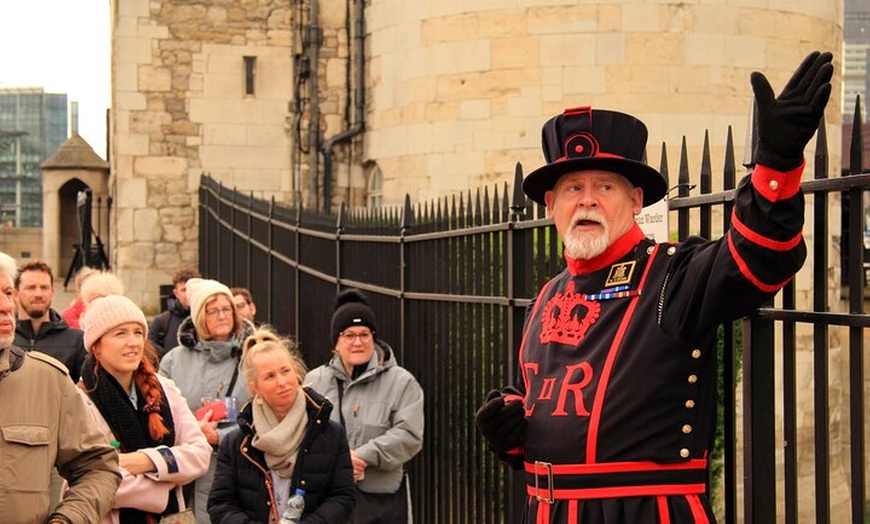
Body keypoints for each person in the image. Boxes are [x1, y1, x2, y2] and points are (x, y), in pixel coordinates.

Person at [473, 51, 833, 523]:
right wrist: (511, 428)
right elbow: (539, 402)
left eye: (605, 187)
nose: (587, 201)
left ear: (636, 199)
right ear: (550, 205)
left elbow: (758, 259)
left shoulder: (672, 276)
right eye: (572, 188)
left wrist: (775, 168)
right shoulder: (545, 297)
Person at [0, 251, 121, 524]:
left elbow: (99, 468)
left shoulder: (48, 380)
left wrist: (68, 519)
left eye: (8, 292)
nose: (6, 305)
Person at [78, 294, 212, 524]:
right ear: (97, 346)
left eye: (138, 332)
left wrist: (142, 461)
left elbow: (200, 454)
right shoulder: (80, 400)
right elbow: (92, 479)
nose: (133, 342)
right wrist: (167, 483)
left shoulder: (166, 390)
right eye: (120, 333)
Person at [208, 328, 355, 523]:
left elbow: (343, 497)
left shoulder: (330, 433)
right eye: (270, 376)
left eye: (285, 371)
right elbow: (220, 505)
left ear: (296, 372)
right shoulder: (236, 443)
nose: (282, 382)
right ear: (255, 387)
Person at [305, 289, 424, 524]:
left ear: (373, 337)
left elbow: (409, 435)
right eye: (349, 335)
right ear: (336, 342)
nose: (357, 342)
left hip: (382, 502)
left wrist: (362, 456)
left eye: (364, 334)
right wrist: (339, 462)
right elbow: (301, 435)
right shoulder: (314, 381)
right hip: (328, 499)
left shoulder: (402, 382)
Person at [159, 277, 255, 523]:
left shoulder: (252, 356)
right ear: (200, 317)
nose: (222, 315)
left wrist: (220, 437)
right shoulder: (173, 361)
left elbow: (264, 413)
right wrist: (193, 430)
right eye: (213, 311)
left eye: (227, 309)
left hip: (241, 469)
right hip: (189, 475)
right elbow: (160, 413)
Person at [13, 260, 87, 382]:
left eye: (44, 287)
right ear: (16, 294)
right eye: (31, 288)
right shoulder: (5, 339)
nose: (38, 293)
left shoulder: (77, 341)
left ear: (52, 292)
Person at [150, 267, 201, 359]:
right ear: (176, 293)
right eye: (184, 290)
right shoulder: (162, 321)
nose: (188, 294)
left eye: (191, 289)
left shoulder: (207, 318)